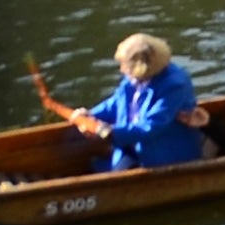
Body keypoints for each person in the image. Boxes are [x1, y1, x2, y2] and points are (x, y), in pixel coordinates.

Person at [71, 33, 214, 168]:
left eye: (125, 65)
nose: (122, 69)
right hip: (130, 144)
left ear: (141, 67)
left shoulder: (175, 85)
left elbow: (151, 127)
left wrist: (109, 132)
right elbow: (116, 102)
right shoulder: (133, 78)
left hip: (162, 154)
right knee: (97, 165)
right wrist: (90, 114)